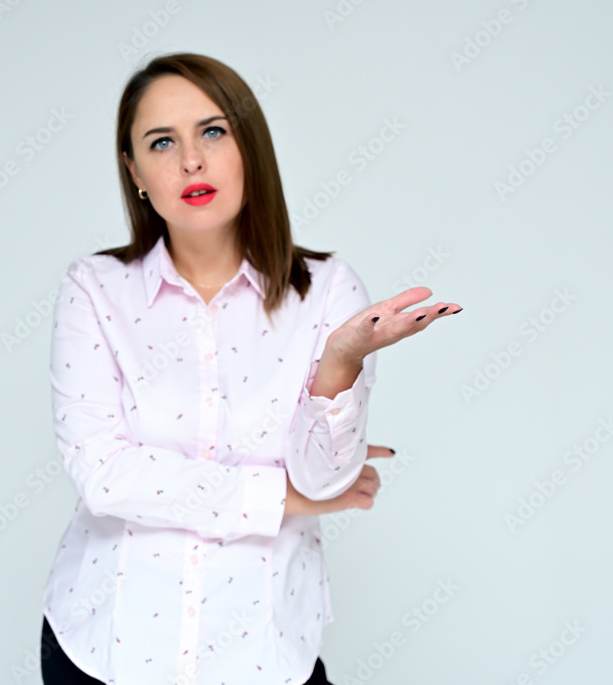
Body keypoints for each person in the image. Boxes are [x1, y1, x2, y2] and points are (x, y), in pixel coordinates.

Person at [39, 52, 461, 685]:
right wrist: (281, 496)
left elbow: (325, 480)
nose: (191, 161)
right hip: (105, 649)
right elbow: (103, 474)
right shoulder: (94, 290)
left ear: (250, 146)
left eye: (213, 131)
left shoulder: (328, 292)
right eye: (161, 142)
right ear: (134, 172)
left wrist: (338, 365)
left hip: (262, 656)